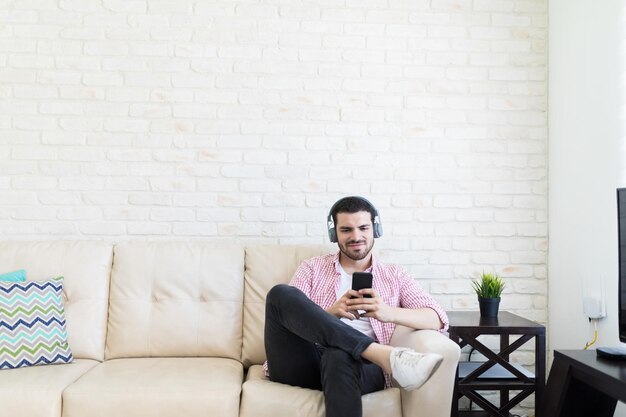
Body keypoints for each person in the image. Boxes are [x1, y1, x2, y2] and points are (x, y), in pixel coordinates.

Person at [263, 196, 449, 417]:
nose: (356, 236)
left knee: (339, 354)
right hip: (305, 362)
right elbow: (289, 317)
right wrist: (330, 313)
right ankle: (385, 356)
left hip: (358, 367)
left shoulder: (394, 275)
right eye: (346, 230)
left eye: (363, 228)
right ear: (334, 234)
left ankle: (372, 354)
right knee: (279, 294)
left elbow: (437, 317)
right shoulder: (312, 268)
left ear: (375, 229)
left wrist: (388, 312)